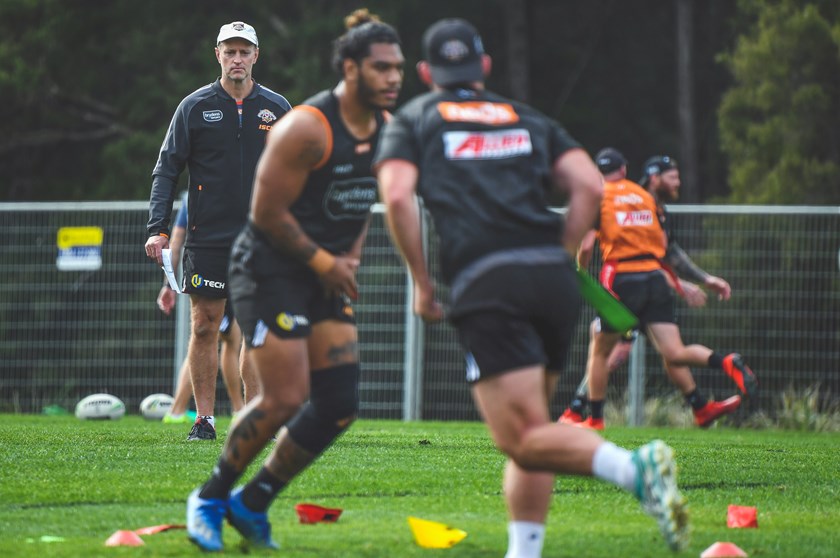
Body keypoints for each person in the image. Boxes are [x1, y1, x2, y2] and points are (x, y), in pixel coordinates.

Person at [374, 18, 689, 556]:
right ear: (485, 68)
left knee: (518, 436)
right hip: (551, 281)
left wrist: (422, 284)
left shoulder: (416, 118)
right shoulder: (526, 118)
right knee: (535, 434)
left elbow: (399, 197)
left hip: (487, 283)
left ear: (426, 73)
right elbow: (591, 183)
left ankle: (634, 469)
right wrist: (559, 258)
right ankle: (526, 550)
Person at [185, 10, 404, 551]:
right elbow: (265, 216)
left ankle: (251, 503)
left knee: (339, 403)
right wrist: (325, 262)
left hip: (319, 271)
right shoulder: (307, 123)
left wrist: (347, 262)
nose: (395, 78)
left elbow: (360, 206)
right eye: (382, 68)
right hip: (267, 265)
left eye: (399, 67)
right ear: (351, 69)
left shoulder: (384, 130)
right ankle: (208, 498)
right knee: (283, 398)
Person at [144, 21, 291, 441]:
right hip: (208, 236)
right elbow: (166, 169)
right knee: (206, 324)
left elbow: (301, 168)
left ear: (256, 56)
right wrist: (158, 228)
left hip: (264, 237)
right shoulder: (194, 107)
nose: (237, 59)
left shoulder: (278, 107)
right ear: (218, 55)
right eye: (230, 51)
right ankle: (204, 420)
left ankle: (255, 417)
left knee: (257, 327)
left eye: (245, 51)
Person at [561, 148, 757, 431]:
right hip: (655, 278)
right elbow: (666, 250)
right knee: (675, 352)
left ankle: (592, 418)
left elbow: (588, 245)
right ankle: (725, 363)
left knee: (601, 352)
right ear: (625, 170)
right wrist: (683, 282)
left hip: (623, 278)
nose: (677, 183)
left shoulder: (600, 195)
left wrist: (579, 273)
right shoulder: (645, 199)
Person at [155, 192, 245, 424]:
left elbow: (176, 242)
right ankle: (238, 410)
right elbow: (175, 241)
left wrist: (168, 284)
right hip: (227, 270)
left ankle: (177, 410)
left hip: (218, 269)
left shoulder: (194, 192)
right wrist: (168, 285)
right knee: (221, 339)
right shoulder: (201, 194)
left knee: (207, 337)